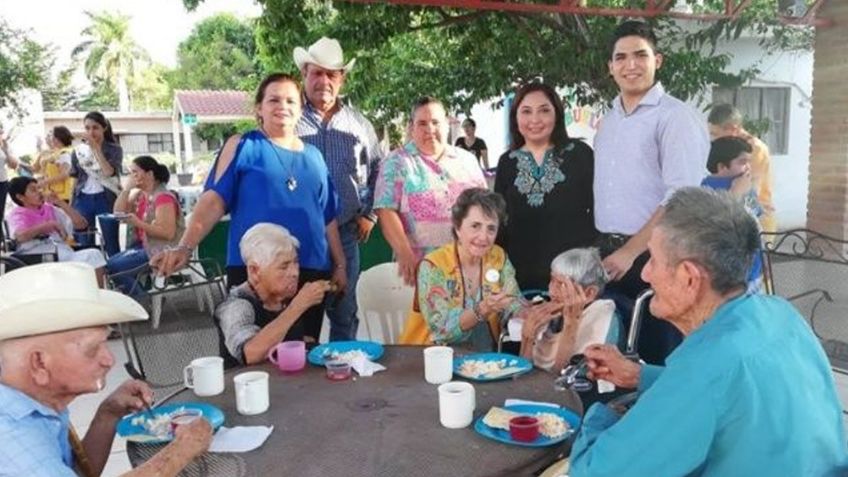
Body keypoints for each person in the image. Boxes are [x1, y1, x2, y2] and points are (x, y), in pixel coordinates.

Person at [569, 187, 848, 476]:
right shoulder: (780, 313)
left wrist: (601, 416)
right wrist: (639, 375)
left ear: (689, 277)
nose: (644, 274)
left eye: (652, 259)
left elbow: (597, 470)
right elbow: (731, 390)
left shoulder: (705, 368)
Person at [152, 73, 346, 343]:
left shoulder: (314, 157)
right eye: (273, 99)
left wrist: (340, 264)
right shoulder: (242, 146)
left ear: (301, 109)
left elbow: (327, 217)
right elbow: (213, 200)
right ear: (259, 108)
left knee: (303, 355)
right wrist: (185, 246)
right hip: (255, 271)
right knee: (250, 355)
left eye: (291, 100)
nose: (283, 106)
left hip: (309, 270)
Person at [0, 262, 212, 477]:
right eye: (92, 350)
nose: (109, 360)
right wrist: (179, 451)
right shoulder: (12, 438)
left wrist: (107, 415)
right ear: (39, 363)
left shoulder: (34, 405)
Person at [592, 20, 709, 365]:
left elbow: (681, 197)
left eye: (640, 55)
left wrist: (631, 251)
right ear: (610, 67)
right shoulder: (609, 118)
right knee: (614, 350)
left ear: (658, 60)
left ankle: (663, 416)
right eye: (622, 57)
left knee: (656, 354)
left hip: (655, 254)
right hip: (610, 253)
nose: (631, 65)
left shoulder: (675, 117)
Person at [294, 37, 384, 341]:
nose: (324, 81)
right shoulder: (290, 122)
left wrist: (369, 214)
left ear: (341, 78)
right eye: (316, 73)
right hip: (297, 239)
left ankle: (343, 381)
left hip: (345, 233)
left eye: (331, 74)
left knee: (344, 315)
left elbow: (378, 171)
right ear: (304, 74)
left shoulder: (359, 124)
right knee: (297, 319)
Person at [494, 82, 597, 292]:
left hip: (573, 279)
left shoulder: (580, 154)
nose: (535, 120)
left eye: (544, 110)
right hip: (520, 279)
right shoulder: (507, 162)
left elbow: (598, 211)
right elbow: (499, 222)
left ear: (557, 114)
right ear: (515, 117)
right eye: (526, 111)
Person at [374, 96, 487, 286]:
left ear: (446, 123)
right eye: (422, 123)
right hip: (417, 272)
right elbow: (385, 210)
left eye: (435, 122)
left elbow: (485, 209)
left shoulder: (468, 161)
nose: (430, 130)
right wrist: (404, 253)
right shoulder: (396, 162)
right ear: (412, 127)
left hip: (467, 270)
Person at [399, 188, 520, 350]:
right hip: (428, 358)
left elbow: (513, 301)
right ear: (457, 227)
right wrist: (482, 309)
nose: (483, 237)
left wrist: (528, 313)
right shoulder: (433, 266)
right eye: (475, 226)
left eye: (491, 228)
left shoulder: (498, 257)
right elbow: (441, 329)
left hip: (484, 360)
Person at [216, 223, 331, 367]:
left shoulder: (280, 298)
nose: (295, 272)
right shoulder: (236, 306)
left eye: (295, 263)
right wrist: (298, 306)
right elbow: (250, 353)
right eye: (284, 266)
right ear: (254, 271)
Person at [519, 248, 621, 373]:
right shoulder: (555, 316)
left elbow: (564, 382)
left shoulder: (601, 320)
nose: (551, 291)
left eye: (562, 284)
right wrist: (527, 338)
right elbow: (522, 375)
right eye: (552, 280)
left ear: (589, 293)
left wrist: (570, 326)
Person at [6, 176, 107, 285]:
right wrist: (49, 225)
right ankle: (97, 296)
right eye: (33, 190)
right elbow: (20, 236)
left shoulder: (49, 209)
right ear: (20, 197)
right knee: (93, 256)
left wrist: (60, 202)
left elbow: (82, 225)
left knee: (94, 255)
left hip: (61, 253)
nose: (39, 192)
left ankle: (97, 294)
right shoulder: (17, 215)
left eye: (39, 188)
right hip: (37, 257)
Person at [106, 156, 184, 295]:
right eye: (131, 172)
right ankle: (141, 299)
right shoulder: (141, 195)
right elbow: (118, 213)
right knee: (110, 263)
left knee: (115, 267)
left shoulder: (163, 197)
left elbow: (168, 233)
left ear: (149, 174)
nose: (132, 176)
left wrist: (138, 223)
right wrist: (126, 191)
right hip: (144, 246)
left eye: (135, 172)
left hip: (162, 249)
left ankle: (142, 302)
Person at [701, 137, 764, 291]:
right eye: (742, 162)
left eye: (749, 161)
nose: (748, 167)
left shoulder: (745, 183)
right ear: (722, 166)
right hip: (728, 276)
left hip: (754, 270)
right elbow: (714, 226)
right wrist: (735, 194)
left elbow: (756, 219)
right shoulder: (704, 190)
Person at [708, 103, 776, 232]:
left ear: (733, 129)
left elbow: (749, 187)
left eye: (715, 133)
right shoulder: (726, 149)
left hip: (757, 217)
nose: (713, 139)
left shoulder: (755, 150)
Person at [70, 112, 123, 256]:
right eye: (87, 128)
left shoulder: (114, 149)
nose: (91, 132)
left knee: (111, 241)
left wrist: (96, 149)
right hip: (83, 198)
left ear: (104, 128)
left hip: (106, 197)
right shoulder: (79, 151)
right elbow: (74, 178)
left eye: (95, 127)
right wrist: (71, 205)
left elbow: (108, 172)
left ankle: (114, 275)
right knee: (83, 242)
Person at [33, 126, 75, 204]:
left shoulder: (64, 154)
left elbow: (65, 174)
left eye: (52, 136)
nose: (50, 138)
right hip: (56, 194)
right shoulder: (59, 152)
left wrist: (44, 182)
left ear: (57, 138)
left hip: (62, 196)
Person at [0, 124, 21, 248]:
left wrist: (6, 150)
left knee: (0, 213)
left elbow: (14, 165)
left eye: (1, 132)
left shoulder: (4, 148)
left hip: (2, 182)